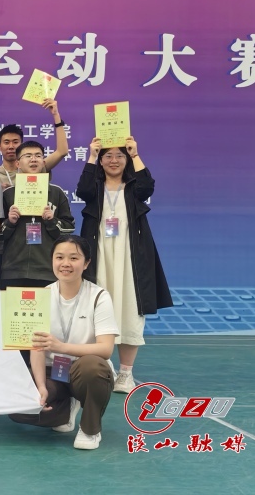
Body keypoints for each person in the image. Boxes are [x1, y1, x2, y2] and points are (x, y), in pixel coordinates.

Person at [76, 136, 172, 393]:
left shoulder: (133, 187)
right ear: (101, 161)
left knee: (130, 310)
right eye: (108, 156)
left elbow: (147, 187)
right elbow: (82, 191)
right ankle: (103, 367)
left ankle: (125, 374)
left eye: (120, 155)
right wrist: (92, 155)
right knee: (96, 310)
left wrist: (135, 153)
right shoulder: (95, 187)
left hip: (131, 256)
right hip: (99, 255)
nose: (114, 160)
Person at [9, 235, 118, 450]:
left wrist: (61, 347)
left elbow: (106, 349)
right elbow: (37, 348)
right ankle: (65, 411)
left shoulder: (99, 297)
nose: (65, 263)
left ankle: (90, 429)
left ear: (86, 263)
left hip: (83, 370)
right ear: (52, 260)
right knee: (19, 404)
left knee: (93, 368)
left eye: (73, 258)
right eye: (59, 257)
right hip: (52, 372)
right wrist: (41, 387)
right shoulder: (39, 297)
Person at [0, 99, 68, 278]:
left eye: (16, 142)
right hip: (8, 255)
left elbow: (61, 151)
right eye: (6, 142)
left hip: (43, 261)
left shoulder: (41, 171)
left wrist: (56, 115)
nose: (11, 146)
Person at [0, 140, 75, 287]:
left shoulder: (56, 193)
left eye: (38, 156)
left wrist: (52, 221)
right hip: (14, 270)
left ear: (43, 162)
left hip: (47, 270)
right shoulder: (8, 194)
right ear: (18, 163)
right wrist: (10, 222)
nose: (33, 159)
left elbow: (69, 228)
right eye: (28, 156)